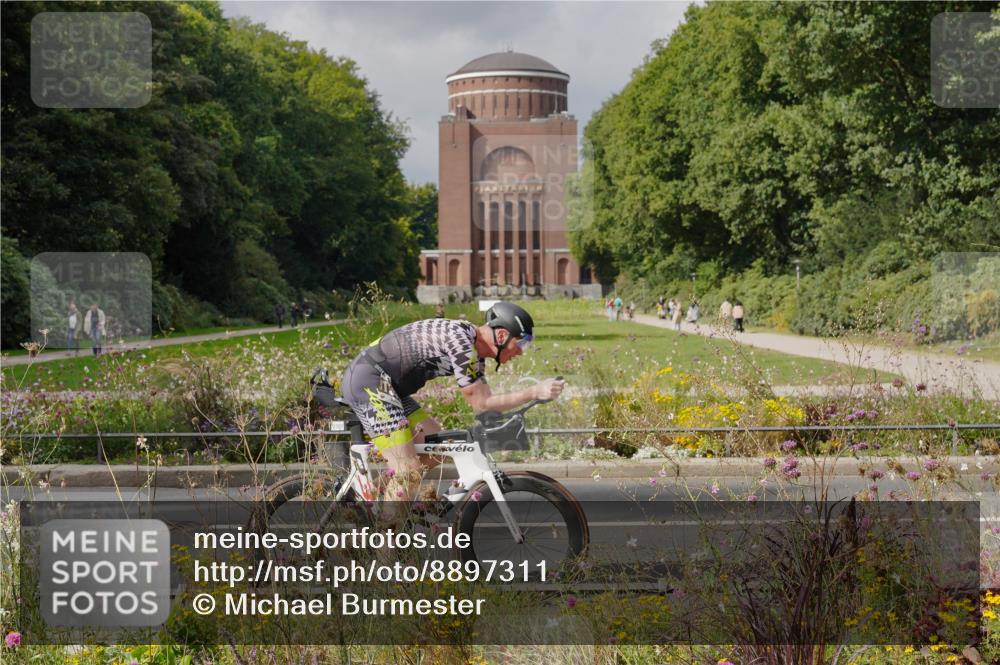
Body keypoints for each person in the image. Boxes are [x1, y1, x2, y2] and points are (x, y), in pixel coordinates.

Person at [341, 302, 564, 506]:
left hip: (386, 386)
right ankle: (387, 535)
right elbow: (482, 404)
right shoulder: (463, 344)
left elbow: (486, 403)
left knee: (438, 447)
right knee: (407, 469)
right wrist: (533, 391)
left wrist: (525, 402)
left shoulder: (474, 350)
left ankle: (364, 494)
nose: (521, 352)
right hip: (370, 382)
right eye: (522, 343)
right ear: (502, 335)